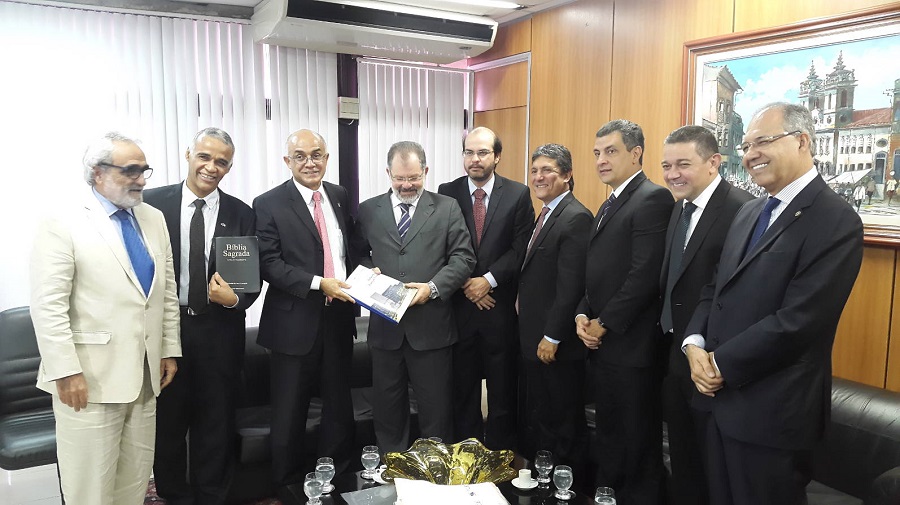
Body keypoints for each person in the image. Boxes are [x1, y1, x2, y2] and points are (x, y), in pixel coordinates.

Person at [684, 103, 864, 505]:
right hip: (716, 403)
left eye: (762, 142)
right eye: (746, 146)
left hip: (772, 416)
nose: (751, 155)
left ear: (802, 141)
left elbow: (800, 321)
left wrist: (718, 364)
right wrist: (694, 344)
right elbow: (715, 288)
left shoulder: (836, 219)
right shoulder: (749, 212)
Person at [30, 132, 181, 505]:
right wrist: (65, 371)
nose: (141, 179)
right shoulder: (62, 219)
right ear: (97, 172)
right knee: (90, 491)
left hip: (145, 377)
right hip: (88, 381)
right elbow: (48, 305)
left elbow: (165, 293)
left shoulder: (153, 218)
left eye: (144, 170)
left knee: (133, 484)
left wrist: (168, 348)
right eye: (130, 170)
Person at [144, 127, 259, 505]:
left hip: (219, 331)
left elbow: (250, 283)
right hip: (167, 329)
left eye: (222, 162)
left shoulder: (241, 213)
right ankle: (174, 495)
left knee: (216, 423)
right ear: (188, 155)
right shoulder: (150, 204)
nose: (212, 167)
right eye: (204, 157)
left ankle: (212, 496)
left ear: (229, 167)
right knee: (167, 425)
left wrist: (234, 299)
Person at [252, 129, 357, 505]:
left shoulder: (339, 195)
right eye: (300, 156)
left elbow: (347, 250)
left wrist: (367, 272)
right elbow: (269, 263)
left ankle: (338, 477)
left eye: (316, 154)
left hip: (339, 317)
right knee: (290, 409)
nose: (309, 162)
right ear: (287, 161)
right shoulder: (268, 203)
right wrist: (318, 283)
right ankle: (287, 484)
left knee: (338, 406)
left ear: (327, 158)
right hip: (293, 322)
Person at [575, 119, 673, 504]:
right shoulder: (609, 202)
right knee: (610, 438)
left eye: (611, 151)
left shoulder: (652, 198)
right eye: (597, 153)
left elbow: (643, 276)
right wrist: (583, 314)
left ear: (636, 153)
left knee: (636, 443)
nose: (601, 160)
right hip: (604, 345)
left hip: (632, 347)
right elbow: (597, 272)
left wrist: (604, 322)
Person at [354, 140, 475, 452]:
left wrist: (431, 288)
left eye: (414, 178)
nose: (406, 185)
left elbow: (463, 258)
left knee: (437, 412)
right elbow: (357, 255)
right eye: (399, 178)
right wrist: (369, 272)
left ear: (426, 171)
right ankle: (391, 468)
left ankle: (434, 469)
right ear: (387, 173)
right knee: (387, 413)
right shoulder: (368, 210)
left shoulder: (447, 207)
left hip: (431, 329)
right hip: (386, 331)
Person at [658, 126, 753, 505]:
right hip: (674, 355)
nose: (672, 174)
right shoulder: (679, 208)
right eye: (666, 166)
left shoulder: (741, 210)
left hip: (712, 363)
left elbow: (738, 294)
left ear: (714, 162)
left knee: (712, 471)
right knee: (683, 463)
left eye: (683, 164)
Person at [437, 127, 534, 450]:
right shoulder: (446, 192)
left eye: (482, 152)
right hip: (460, 309)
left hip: (499, 309)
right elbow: (440, 245)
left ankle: (501, 459)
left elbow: (521, 247)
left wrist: (487, 280)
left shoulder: (518, 194)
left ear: (497, 156)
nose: (474, 159)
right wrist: (467, 283)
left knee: (502, 391)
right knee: (463, 392)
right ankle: (467, 456)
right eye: (469, 152)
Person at [517, 143, 592, 469]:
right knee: (543, 418)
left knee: (564, 423)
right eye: (534, 171)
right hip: (535, 339)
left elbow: (571, 287)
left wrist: (552, 336)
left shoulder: (575, 217)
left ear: (567, 174)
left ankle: (568, 485)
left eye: (547, 170)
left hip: (556, 345)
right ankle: (545, 481)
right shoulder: (546, 214)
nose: (538, 177)